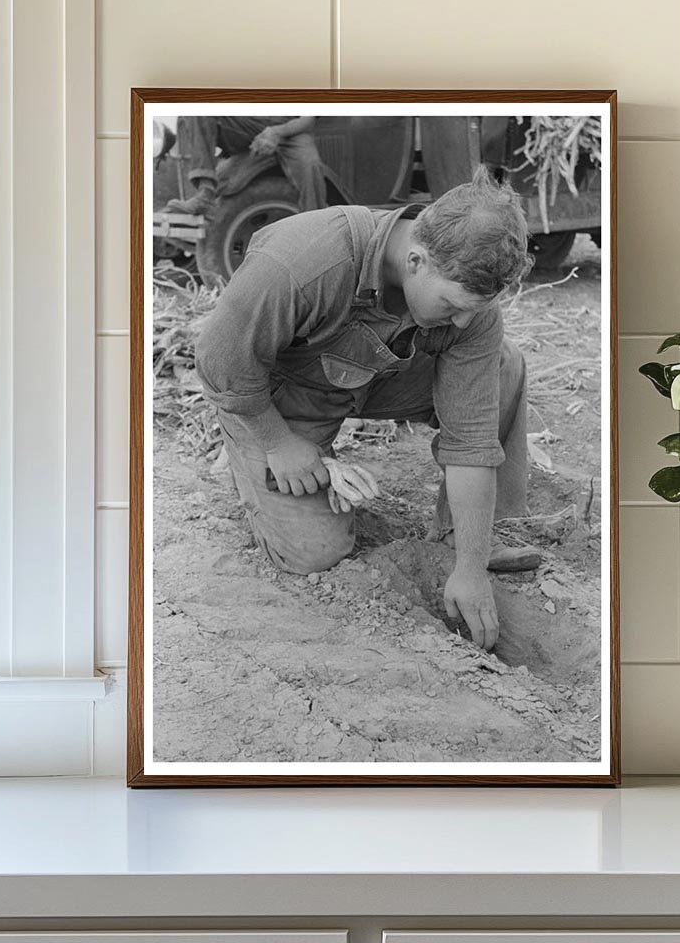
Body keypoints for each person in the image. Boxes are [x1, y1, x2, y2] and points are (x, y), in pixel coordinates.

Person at [194, 166, 538, 650]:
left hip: (380, 376)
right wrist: (278, 442)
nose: (461, 321)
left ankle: (463, 532)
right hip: (288, 390)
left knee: (503, 365)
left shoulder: (468, 310)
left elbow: (471, 440)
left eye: (473, 310)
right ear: (416, 260)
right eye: (452, 305)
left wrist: (470, 566)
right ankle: (247, 448)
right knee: (314, 552)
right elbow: (218, 359)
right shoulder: (304, 259)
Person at [166, 115, 326, 215]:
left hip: (291, 129)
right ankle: (205, 192)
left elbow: (307, 119)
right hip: (249, 124)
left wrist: (277, 132)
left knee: (311, 164)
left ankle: (314, 225)